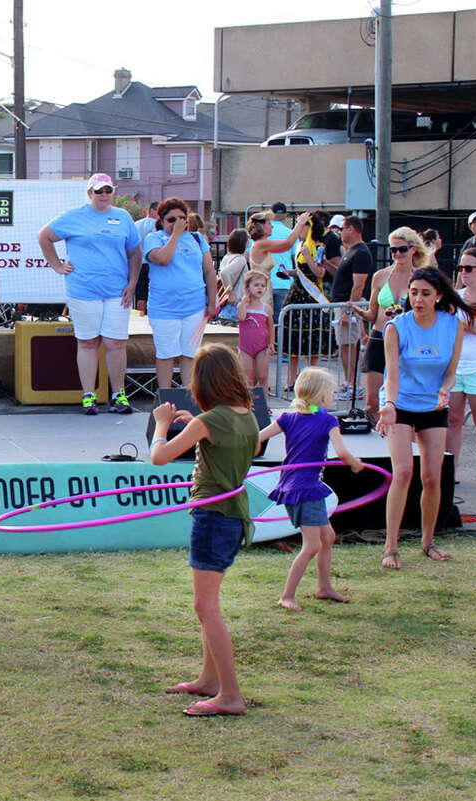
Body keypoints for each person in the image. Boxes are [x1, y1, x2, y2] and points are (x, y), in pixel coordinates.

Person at [150, 344, 258, 717]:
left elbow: (159, 457)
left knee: (205, 607)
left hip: (213, 518)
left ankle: (230, 694)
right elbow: (226, 442)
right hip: (233, 517)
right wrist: (195, 423)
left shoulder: (207, 422)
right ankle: (210, 680)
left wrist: (162, 424)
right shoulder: (248, 417)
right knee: (208, 604)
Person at [377, 260, 476, 570]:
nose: (417, 300)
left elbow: (450, 372)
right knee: (404, 472)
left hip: (434, 406)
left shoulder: (453, 325)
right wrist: (390, 406)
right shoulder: (396, 327)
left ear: (438, 296)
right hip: (400, 405)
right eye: (413, 293)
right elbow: (391, 376)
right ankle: (390, 547)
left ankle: (428, 542)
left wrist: (446, 390)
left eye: (424, 293)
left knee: (433, 477)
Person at [258, 368, 364, 611]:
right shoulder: (328, 420)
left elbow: (257, 438)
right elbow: (343, 452)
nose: (334, 395)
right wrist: (355, 463)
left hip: (293, 487)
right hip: (306, 488)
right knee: (312, 545)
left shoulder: (290, 416)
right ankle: (287, 595)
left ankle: (324, 587)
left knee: (327, 538)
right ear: (321, 395)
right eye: (330, 391)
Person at [38, 173, 141, 414]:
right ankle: (88, 395)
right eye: (99, 191)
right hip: (83, 290)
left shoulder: (123, 217)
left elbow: (135, 252)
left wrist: (133, 282)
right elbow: (44, 236)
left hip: (117, 292)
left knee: (116, 343)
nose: (104, 195)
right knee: (88, 342)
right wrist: (57, 265)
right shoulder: (75, 216)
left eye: (108, 190)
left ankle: (119, 395)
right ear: (89, 194)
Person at [349, 226, 422, 423]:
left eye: (402, 249)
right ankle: (377, 446)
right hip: (379, 337)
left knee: (404, 401)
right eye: (393, 250)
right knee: (372, 403)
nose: (397, 254)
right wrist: (358, 312)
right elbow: (373, 314)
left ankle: (403, 446)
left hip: (407, 341)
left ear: (413, 249)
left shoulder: (421, 277)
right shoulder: (381, 276)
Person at [143, 197, 218, 389]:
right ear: (161, 220)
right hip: (164, 308)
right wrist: (175, 235)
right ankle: (165, 396)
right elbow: (162, 259)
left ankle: (188, 395)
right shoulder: (154, 238)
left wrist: (212, 301)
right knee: (166, 353)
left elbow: (209, 271)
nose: (177, 222)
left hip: (194, 306)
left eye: (181, 218)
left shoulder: (197, 238)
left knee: (190, 353)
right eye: (171, 219)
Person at [446, 247, 476, 487]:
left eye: (469, 268)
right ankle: (451, 473)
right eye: (461, 268)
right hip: (456, 366)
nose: (464, 273)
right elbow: (446, 327)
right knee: (453, 420)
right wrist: (467, 326)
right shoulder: (456, 296)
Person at [280, 212, 334, 387]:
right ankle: (292, 379)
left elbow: (320, 272)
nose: (299, 229)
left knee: (313, 338)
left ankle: (313, 379)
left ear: (309, 227)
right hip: (296, 293)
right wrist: (290, 272)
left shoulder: (318, 246)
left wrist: (308, 257)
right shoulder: (299, 245)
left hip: (311, 297)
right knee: (293, 339)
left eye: (302, 225)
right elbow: (302, 271)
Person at [329, 215, 374, 399]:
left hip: (348, 305)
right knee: (344, 346)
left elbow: (359, 285)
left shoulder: (361, 252)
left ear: (352, 229)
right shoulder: (350, 251)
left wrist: (349, 310)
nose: (340, 233)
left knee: (349, 346)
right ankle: (348, 383)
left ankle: (353, 386)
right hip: (341, 303)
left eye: (342, 229)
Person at [237, 271, 274, 393]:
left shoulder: (266, 308)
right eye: (256, 285)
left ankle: (265, 403)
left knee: (262, 376)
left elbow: (270, 327)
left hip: (261, 347)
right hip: (245, 348)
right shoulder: (243, 306)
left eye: (263, 286)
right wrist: (244, 301)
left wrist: (271, 343)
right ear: (247, 287)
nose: (260, 288)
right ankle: (248, 403)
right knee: (248, 378)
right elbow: (241, 318)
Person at [267, 202, 295, 323]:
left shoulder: (261, 233)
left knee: (265, 322)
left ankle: (267, 342)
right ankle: (279, 342)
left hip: (263, 283)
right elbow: (296, 256)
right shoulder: (289, 233)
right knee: (281, 322)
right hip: (284, 282)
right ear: (285, 216)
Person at [217, 228, 250, 317]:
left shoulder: (227, 257)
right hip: (235, 302)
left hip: (226, 302)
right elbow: (224, 273)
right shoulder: (240, 260)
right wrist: (230, 293)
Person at [133, 201, 159, 314]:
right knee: (154, 293)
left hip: (138, 265)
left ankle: (140, 316)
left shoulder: (135, 225)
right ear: (153, 210)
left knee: (140, 294)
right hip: (154, 264)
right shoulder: (157, 226)